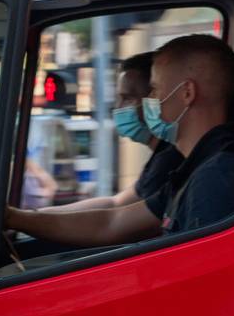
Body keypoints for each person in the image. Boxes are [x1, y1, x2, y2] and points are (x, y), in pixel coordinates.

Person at [4, 34, 234, 246]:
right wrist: (17, 218)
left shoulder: (216, 179)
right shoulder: (193, 170)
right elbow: (110, 223)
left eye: (155, 90)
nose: (149, 101)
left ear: (187, 93)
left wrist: (18, 218)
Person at [39, 51, 183, 213]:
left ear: (155, 101)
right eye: (118, 99)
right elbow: (117, 203)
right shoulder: (162, 154)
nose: (118, 108)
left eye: (128, 98)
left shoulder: (169, 160)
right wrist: (36, 215)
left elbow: (116, 218)